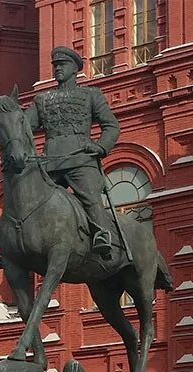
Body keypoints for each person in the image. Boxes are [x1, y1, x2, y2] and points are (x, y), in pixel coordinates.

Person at [24, 46, 120, 257]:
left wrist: (100, 146)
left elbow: (111, 126)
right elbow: (24, 128)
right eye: (55, 65)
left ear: (75, 69)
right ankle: (15, 242)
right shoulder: (42, 99)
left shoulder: (90, 95)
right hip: (50, 162)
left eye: (62, 65)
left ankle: (102, 235)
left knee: (90, 197)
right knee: (28, 198)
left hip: (80, 159)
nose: (57, 69)